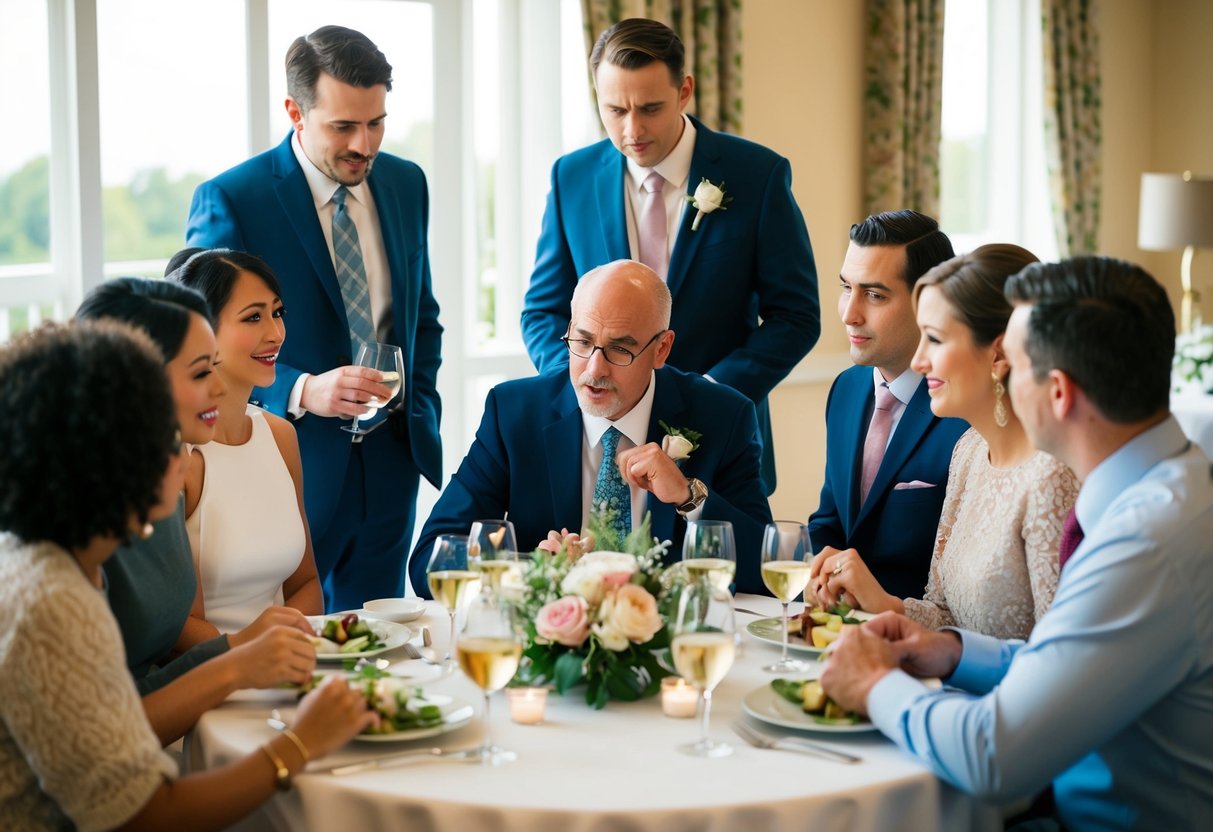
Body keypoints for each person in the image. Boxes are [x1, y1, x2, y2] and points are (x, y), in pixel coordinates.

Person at [821, 257, 1213, 829]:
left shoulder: (1144, 543)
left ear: (1056, 393)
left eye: (1017, 361)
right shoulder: (1176, 482)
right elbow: (1066, 662)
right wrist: (953, 651)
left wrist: (873, 684)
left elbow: (992, 757)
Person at [0, 321, 375, 831]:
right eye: (167, 437)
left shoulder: (57, 562)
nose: (187, 456)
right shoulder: (52, 601)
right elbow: (148, 815)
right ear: (105, 458)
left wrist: (237, 659)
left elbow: (118, 726)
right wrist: (302, 743)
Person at [186, 24, 442, 610]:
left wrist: (417, 403)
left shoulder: (407, 183)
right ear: (295, 112)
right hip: (287, 462)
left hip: (393, 460)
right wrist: (302, 389)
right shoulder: (233, 199)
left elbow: (421, 315)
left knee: (379, 648)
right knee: (296, 648)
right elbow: (201, 341)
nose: (364, 144)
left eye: (375, 122)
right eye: (343, 126)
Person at [520, 17, 819, 495]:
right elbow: (541, 310)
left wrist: (713, 392)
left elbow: (797, 316)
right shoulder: (570, 178)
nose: (631, 130)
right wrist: (580, 382)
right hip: (601, 442)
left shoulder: (757, 175)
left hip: (721, 441)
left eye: (650, 108)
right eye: (614, 110)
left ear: (684, 91)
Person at [410, 260, 773, 595]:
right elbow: (431, 559)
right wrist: (532, 573)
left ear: (662, 349)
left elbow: (766, 572)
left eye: (619, 350)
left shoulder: (723, 416)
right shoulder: (515, 414)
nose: (594, 370)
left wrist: (688, 496)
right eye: (582, 342)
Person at [812, 245, 1077, 640]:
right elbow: (943, 612)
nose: (919, 361)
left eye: (934, 339)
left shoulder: (1051, 477)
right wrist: (880, 601)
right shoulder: (969, 452)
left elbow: (1058, 661)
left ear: (999, 353)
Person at [808, 211, 966, 600]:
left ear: (928, 303)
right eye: (847, 287)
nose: (849, 313)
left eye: (875, 295)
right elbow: (830, 521)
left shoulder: (965, 415)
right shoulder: (845, 390)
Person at [171, 249, 323, 645]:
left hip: (287, 666)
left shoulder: (280, 436)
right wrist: (256, 659)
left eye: (277, 312)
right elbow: (179, 628)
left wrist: (293, 653)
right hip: (214, 678)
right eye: (253, 317)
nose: (275, 333)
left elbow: (305, 582)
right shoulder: (181, 459)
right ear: (204, 332)